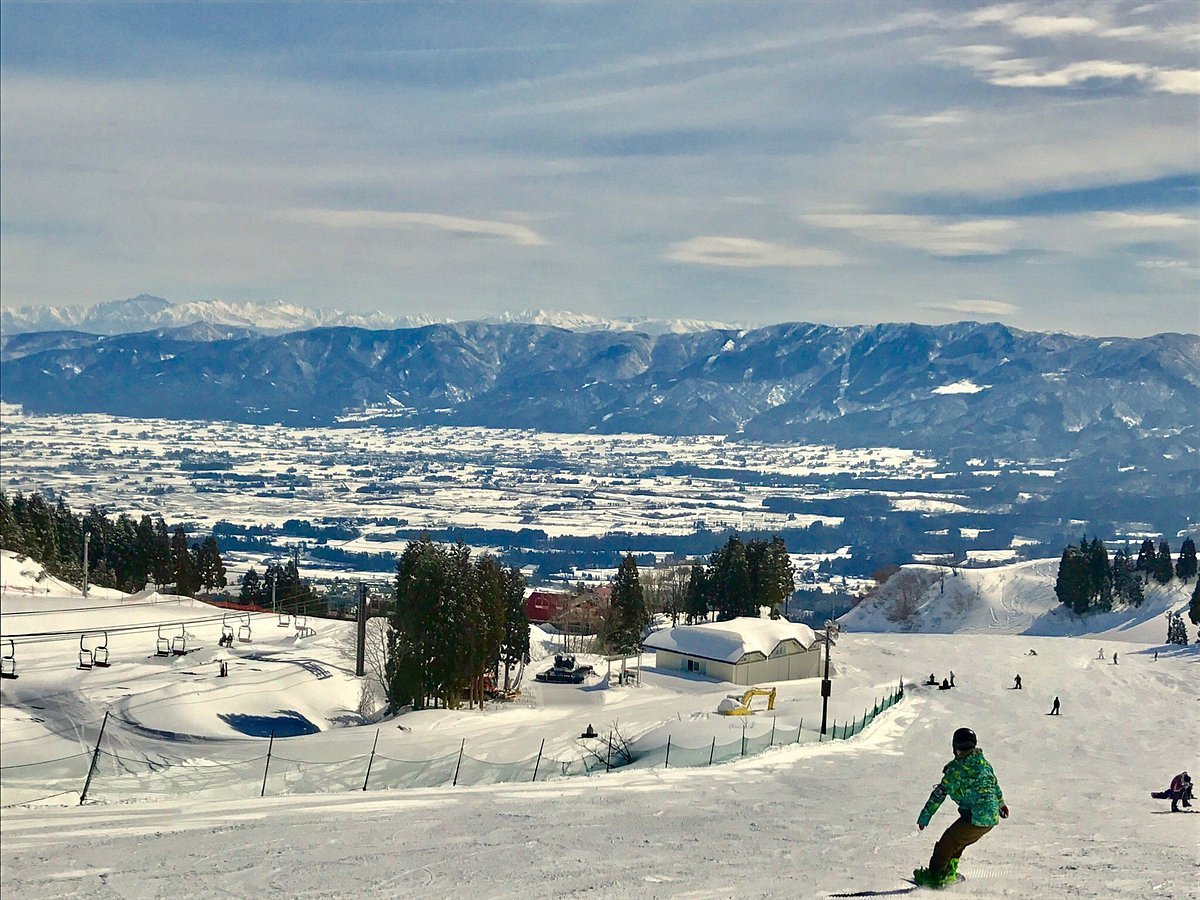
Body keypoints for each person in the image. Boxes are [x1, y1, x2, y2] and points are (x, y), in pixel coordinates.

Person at [913, 727, 1008, 888]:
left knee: (947, 842)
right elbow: (993, 784)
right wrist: (1001, 804)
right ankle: (949, 872)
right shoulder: (984, 764)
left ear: (955, 747)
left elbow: (939, 794)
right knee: (958, 842)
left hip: (975, 816)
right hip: (990, 818)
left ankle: (934, 876)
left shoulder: (956, 769)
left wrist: (925, 816)